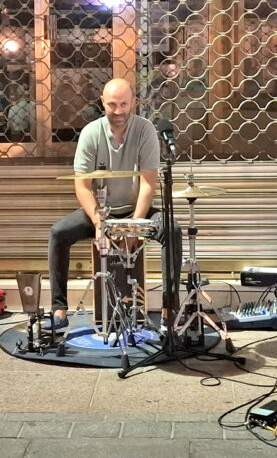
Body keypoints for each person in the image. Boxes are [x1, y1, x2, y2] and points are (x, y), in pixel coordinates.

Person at [47, 78, 182, 333]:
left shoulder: (145, 130)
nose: (118, 111)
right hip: (101, 212)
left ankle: (169, 309)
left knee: (172, 230)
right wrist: (99, 223)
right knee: (58, 233)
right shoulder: (90, 133)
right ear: (102, 103)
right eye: (112, 105)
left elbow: (148, 184)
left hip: (136, 210)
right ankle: (59, 310)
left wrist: (135, 227)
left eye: (123, 104)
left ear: (133, 103)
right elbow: (82, 186)